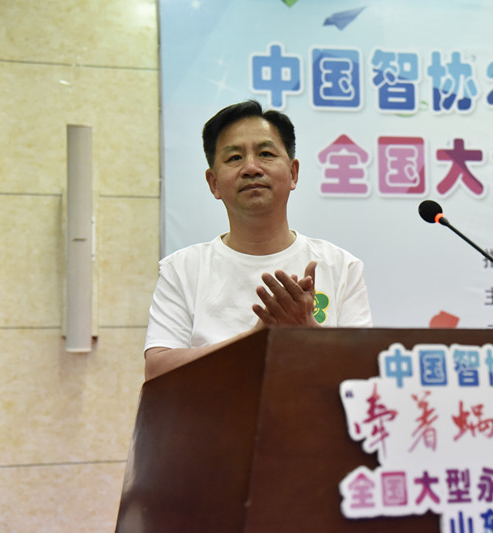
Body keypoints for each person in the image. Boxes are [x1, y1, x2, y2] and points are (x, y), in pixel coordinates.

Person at [143, 100, 373, 380]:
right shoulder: (182, 269)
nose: (251, 168)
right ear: (213, 183)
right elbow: (157, 370)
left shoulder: (341, 267)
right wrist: (254, 340)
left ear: (293, 173)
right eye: (234, 158)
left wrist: (307, 330)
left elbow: (364, 371)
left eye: (265, 154)